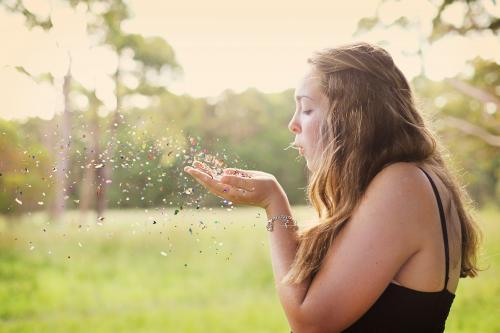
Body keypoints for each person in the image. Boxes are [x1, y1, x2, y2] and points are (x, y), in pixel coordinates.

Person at [184, 42, 481, 333]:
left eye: (307, 109)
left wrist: (274, 202)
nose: (292, 124)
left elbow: (310, 323)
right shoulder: (401, 182)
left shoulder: (402, 185)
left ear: (353, 117)